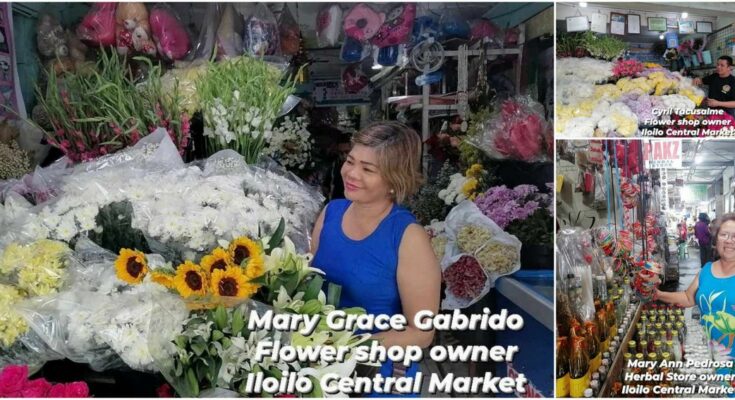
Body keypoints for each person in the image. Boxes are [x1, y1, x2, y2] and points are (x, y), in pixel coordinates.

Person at [310, 122, 441, 396]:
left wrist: (352, 346)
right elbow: (309, 283)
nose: (352, 174)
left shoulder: (408, 237)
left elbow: (422, 332)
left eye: (368, 169)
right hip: (321, 367)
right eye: (350, 161)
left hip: (378, 375)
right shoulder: (331, 213)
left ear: (395, 180)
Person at [654, 213, 735, 393]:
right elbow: (688, 298)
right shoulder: (707, 270)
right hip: (705, 358)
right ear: (716, 238)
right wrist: (657, 294)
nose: (729, 241)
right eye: (724, 235)